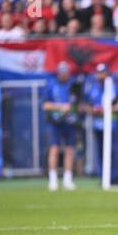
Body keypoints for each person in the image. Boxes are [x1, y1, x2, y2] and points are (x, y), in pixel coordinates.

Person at [84, 63, 118, 185]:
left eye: (102, 73)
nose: (100, 75)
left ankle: (115, 176)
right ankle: (104, 176)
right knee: (100, 152)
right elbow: (85, 105)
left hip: (112, 125)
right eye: (98, 73)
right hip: (98, 125)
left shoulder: (114, 87)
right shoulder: (93, 88)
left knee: (113, 151)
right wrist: (93, 110)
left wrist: (109, 110)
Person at [43, 62, 79, 191]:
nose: (64, 75)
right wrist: (61, 107)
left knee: (70, 150)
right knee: (54, 149)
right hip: (55, 122)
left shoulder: (74, 85)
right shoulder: (51, 85)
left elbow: (79, 103)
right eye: (62, 72)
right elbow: (45, 105)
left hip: (70, 122)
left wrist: (72, 109)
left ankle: (67, 179)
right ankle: (53, 180)